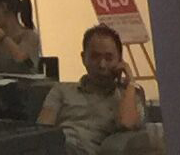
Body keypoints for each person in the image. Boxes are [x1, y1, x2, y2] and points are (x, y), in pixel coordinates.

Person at [37, 25, 157, 155]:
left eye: (109, 58)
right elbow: (43, 129)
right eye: (95, 57)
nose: (102, 65)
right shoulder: (61, 90)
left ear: (120, 60)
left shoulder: (127, 97)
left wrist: (131, 81)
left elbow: (126, 123)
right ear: (84, 58)